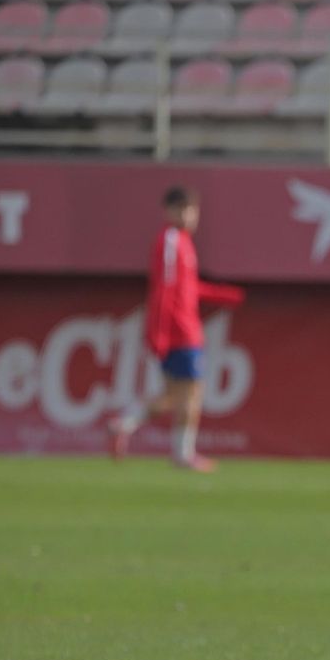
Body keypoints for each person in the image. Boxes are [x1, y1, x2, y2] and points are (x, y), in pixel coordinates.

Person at [108, 185, 244, 473]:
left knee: (172, 396)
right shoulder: (170, 241)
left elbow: (186, 288)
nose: (187, 215)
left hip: (184, 329)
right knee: (192, 393)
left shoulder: (183, 243)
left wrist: (222, 295)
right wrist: (159, 332)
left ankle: (125, 422)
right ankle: (183, 454)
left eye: (191, 210)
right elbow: (164, 290)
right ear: (167, 212)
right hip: (180, 332)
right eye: (181, 209)